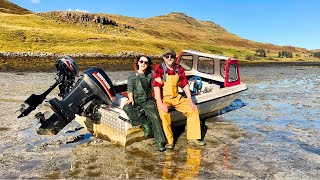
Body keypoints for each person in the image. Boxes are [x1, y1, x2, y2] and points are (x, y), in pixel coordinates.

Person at [153, 48, 206, 149]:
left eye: (172, 56)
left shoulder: (179, 68)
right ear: (164, 58)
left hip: (176, 97)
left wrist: (190, 100)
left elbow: (185, 84)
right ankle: (170, 141)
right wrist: (160, 103)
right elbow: (156, 86)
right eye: (167, 56)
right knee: (164, 116)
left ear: (175, 58)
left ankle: (193, 138)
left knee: (193, 110)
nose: (169, 58)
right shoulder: (159, 68)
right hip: (163, 98)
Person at [123, 56, 167, 152]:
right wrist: (130, 98)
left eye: (146, 62)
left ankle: (160, 141)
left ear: (148, 65)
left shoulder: (150, 75)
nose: (143, 64)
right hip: (136, 100)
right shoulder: (132, 76)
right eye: (141, 61)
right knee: (126, 108)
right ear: (138, 63)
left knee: (155, 117)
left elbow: (154, 87)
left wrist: (160, 84)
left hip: (148, 100)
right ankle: (145, 124)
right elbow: (129, 89)